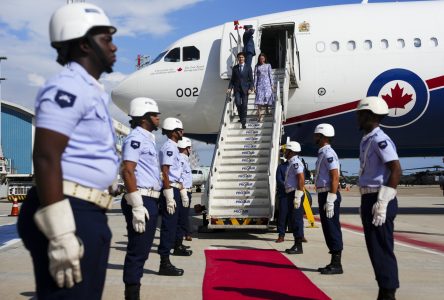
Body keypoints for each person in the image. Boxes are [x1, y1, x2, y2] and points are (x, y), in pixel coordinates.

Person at [17, 3, 119, 299]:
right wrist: (60, 233)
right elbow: (46, 155)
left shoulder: (89, 89)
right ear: (85, 44)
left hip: (86, 209)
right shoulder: (68, 86)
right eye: (106, 39)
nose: (114, 47)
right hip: (68, 208)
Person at [356, 96, 402, 300]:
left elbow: (396, 169)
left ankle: (388, 294)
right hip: (370, 198)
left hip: (379, 198)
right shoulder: (367, 140)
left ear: (370, 116)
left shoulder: (379, 139)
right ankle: (384, 291)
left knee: (382, 248)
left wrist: (382, 201)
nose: (358, 118)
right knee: (375, 249)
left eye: (360, 114)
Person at [120, 97, 162, 299]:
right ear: (144, 118)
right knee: (137, 252)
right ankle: (131, 295)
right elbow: (127, 170)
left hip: (150, 199)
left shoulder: (147, 138)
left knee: (143, 251)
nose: (158, 118)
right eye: (155, 115)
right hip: (141, 199)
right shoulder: (135, 138)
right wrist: (136, 204)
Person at [158, 117, 191, 277]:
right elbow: (165, 171)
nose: (183, 132)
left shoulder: (174, 147)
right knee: (168, 226)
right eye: (180, 130)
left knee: (174, 224)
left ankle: (168, 258)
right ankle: (164, 263)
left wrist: (182, 190)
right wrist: (169, 195)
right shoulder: (169, 148)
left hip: (176, 188)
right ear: (173, 132)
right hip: (170, 189)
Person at [313, 123, 344, 275]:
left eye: (316, 135)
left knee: (332, 227)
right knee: (327, 228)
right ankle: (333, 261)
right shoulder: (322, 153)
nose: (314, 137)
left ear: (323, 136)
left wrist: (331, 198)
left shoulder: (328, 153)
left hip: (328, 194)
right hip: (323, 194)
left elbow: (335, 176)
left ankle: (337, 264)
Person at [283, 141, 306, 254]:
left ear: (291, 152)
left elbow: (301, 178)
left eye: (287, 151)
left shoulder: (296, 162)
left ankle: (298, 246)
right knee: (293, 219)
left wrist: (298, 195)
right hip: (291, 193)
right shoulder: (291, 162)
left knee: (296, 219)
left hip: (295, 193)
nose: (285, 152)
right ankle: (296, 244)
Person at [227, 52, 254, 129]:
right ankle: (241, 117)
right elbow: (232, 80)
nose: (241, 59)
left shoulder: (248, 67)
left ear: (244, 58)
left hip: (245, 90)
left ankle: (243, 122)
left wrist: (251, 88)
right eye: (239, 57)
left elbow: (251, 80)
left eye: (242, 57)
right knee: (238, 103)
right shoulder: (235, 68)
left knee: (244, 105)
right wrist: (229, 88)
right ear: (237, 59)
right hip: (237, 90)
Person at [178, 137, 193, 242]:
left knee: (184, 214)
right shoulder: (181, 159)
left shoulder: (185, 160)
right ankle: (186, 233)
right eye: (189, 147)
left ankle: (185, 233)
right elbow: (178, 177)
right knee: (182, 215)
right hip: (183, 191)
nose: (191, 150)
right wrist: (183, 192)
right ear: (185, 148)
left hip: (187, 191)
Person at [254, 53, 274, 122]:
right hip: (259, 84)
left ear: (265, 59)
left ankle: (267, 109)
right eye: (260, 59)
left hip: (267, 84)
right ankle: (259, 115)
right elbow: (255, 77)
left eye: (262, 58)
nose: (261, 60)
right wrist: (254, 86)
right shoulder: (257, 66)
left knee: (267, 97)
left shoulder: (268, 65)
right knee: (259, 100)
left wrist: (272, 84)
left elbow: (270, 75)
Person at [275, 153, 289, 243]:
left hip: (295, 194)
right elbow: (279, 179)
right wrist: (289, 186)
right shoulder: (281, 167)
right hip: (284, 194)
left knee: (296, 216)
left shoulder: (298, 165)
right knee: (282, 216)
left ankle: (299, 235)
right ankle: (281, 235)